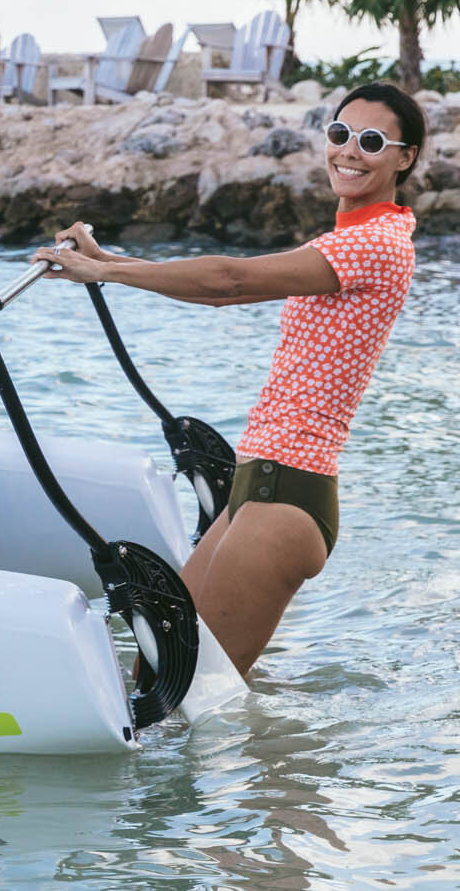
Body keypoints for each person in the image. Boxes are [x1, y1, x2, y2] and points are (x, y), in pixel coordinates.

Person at [31, 82, 422, 673]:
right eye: (339, 134)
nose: (348, 151)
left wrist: (99, 273)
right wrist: (105, 262)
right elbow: (226, 278)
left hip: (286, 493)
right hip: (259, 485)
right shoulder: (348, 238)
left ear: (404, 157)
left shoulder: (378, 244)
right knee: (161, 676)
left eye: (371, 141)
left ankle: (286, 765)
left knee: (186, 693)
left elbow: (229, 283)